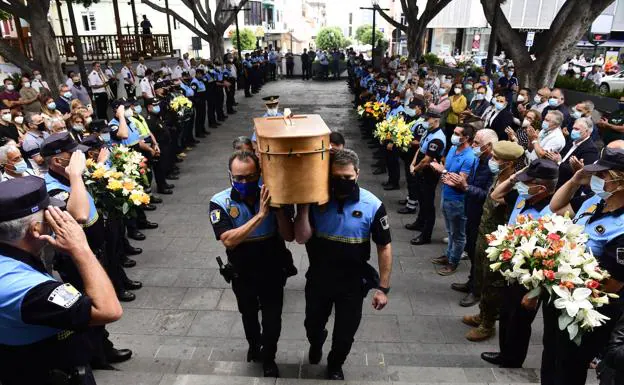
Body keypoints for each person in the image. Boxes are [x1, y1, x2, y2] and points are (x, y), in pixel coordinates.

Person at [0, 177, 123, 385]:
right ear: (36, 230)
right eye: (50, 218)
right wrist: (81, 249)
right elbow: (109, 310)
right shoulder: (23, 287)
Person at [294, 149, 392, 380]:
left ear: (357, 174)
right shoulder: (316, 200)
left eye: (347, 177)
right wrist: (305, 205)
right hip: (319, 278)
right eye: (336, 177)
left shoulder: (372, 205)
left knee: (345, 333)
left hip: (352, 283)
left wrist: (383, 288)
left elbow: (384, 246)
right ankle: (316, 341)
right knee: (312, 324)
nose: (342, 182)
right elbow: (300, 237)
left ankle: (335, 365)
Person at [540, 143, 624, 385]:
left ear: (620, 180)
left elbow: (612, 284)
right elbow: (556, 206)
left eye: (602, 174)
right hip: (562, 296)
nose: (595, 178)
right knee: (551, 355)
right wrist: (576, 180)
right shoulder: (595, 201)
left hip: (585, 307)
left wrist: (569, 283)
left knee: (569, 367)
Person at [209, 151, 294, 377]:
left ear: (259, 174)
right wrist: (260, 216)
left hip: (272, 268)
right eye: (238, 178)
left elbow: (289, 236)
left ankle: (269, 357)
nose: (244, 182)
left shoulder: (273, 196)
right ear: (230, 176)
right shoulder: (219, 202)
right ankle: (254, 346)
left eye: (249, 177)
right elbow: (227, 239)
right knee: (248, 314)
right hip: (242, 271)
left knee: (273, 318)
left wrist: (277, 211)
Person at [481, 159, 559, 368]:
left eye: (527, 182)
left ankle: (514, 359)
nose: (521, 185)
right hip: (511, 267)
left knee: (520, 318)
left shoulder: (552, 211)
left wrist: (535, 292)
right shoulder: (524, 198)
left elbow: (550, 255)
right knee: (506, 312)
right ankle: (504, 352)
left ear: (541, 188)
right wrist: (516, 176)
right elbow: (496, 195)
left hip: (531, 274)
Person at [462, 141, 526, 341]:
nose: (492, 160)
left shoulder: (516, 186)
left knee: (493, 284)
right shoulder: (500, 175)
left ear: (509, 163)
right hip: (484, 233)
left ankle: (488, 324)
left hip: (498, 241)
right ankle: (482, 313)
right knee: (481, 278)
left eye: (497, 159)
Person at [447, 128, 498, 304]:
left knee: (478, 254)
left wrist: (466, 187)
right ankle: (471, 281)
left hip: (482, 215)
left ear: (489, 146)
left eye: (477, 143)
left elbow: (489, 195)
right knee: (470, 247)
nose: (473, 146)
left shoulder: (493, 166)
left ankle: (477, 291)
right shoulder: (479, 159)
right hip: (471, 210)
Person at [429, 124, 476, 275]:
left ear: (466, 138)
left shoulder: (469, 157)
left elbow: (461, 181)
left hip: (458, 200)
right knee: (450, 230)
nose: (453, 135)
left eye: (457, 133)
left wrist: (442, 170)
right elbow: (447, 170)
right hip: (446, 194)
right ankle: (448, 254)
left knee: (458, 234)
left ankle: (453, 261)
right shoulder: (452, 148)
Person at [407, 111, 446, 245]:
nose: (425, 121)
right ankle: (420, 222)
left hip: (428, 174)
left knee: (428, 203)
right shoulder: (429, 132)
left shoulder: (438, 138)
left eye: (428, 119)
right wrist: (413, 163)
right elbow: (420, 148)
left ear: (435, 120)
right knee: (421, 199)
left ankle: (426, 234)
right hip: (420, 171)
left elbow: (427, 160)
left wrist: (415, 168)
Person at [547, 116, 599, 189]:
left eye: (577, 129)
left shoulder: (591, 150)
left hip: (567, 185)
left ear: (587, 131)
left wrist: (559, 162)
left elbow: (581, 173)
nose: (573, 131)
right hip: (554, 178)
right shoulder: (572, 141)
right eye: (573, 128)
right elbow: (562, 157)